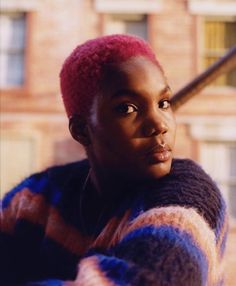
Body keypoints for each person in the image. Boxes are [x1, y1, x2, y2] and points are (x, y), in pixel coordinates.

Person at [0, 34, 228, 286]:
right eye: (127, 108)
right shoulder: (38, 197)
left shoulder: (190, 202)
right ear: (82, 131)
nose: (159, 124)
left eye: (163, 103)